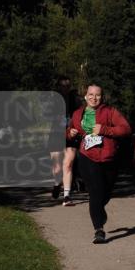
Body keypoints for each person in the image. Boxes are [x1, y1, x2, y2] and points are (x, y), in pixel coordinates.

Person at [68, 84, 131, 244]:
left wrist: (104, 129)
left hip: (109, 158)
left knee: (105, 194)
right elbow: (69, 131)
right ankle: (99, 230)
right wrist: (70, 132)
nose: (93, 98)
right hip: (87, 157)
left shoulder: (110, 112)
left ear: (102, 97)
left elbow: (126, 129)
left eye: (97, 95)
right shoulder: (77, 114)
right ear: (85, 96)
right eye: (90, 94)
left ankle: (98, 210)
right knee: (95, 192)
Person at [49, 75, 83, 206]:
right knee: (57, 168)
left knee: (68, 164)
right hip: (56, 134)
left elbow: (81, 114)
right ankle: (57, 184)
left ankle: (67, 196)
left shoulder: (75, 99)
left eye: (68, 86)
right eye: (63, 86)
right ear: (58, 86)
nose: (65, 88)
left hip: (71, 134)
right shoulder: (53, 99)